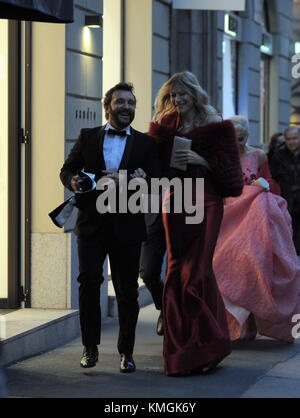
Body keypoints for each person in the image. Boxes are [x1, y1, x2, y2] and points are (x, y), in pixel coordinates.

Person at [60, 82, 161, 372]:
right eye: (121, 102)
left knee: (127, 291)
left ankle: (126, 353)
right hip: (92, 225)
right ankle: (89, 348)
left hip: (128, 226)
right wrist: (73, 181)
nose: (127, 107)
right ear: (107, 107)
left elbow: (156, 182)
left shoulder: (145, 143)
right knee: (89, 283)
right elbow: (67, 169)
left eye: (131, 103)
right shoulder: (88, 136)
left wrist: (135, 180)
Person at [148, 71, 244, 376]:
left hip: (207, 200)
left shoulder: (216, 126)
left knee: (198, 271)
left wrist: (200, 160)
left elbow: (233, 181)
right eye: (172, 96)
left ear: (194, 93)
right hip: (175, 201)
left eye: (182, 94)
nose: (177, 100)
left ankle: (207, 345)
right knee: (176, 269)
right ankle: (181, 350)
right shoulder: (165, 126)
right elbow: (155, 171)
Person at [213, 116, 300, 342]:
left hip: (255, 219)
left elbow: (269, 181)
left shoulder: (258, 155)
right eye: (234, 139)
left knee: (255, 266)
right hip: (229, 218)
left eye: (241, 139)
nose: (238, 144)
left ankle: (251, 321)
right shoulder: (222, 157)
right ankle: (232, 323)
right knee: (228, 267)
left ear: (248, 137)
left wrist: (261, 186)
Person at [270, 127, 300, 255]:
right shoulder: (278, 155)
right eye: (289, 139)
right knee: (287, 229)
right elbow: (273, 178)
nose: (292, 141)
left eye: (294, 138)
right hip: (286, 199)